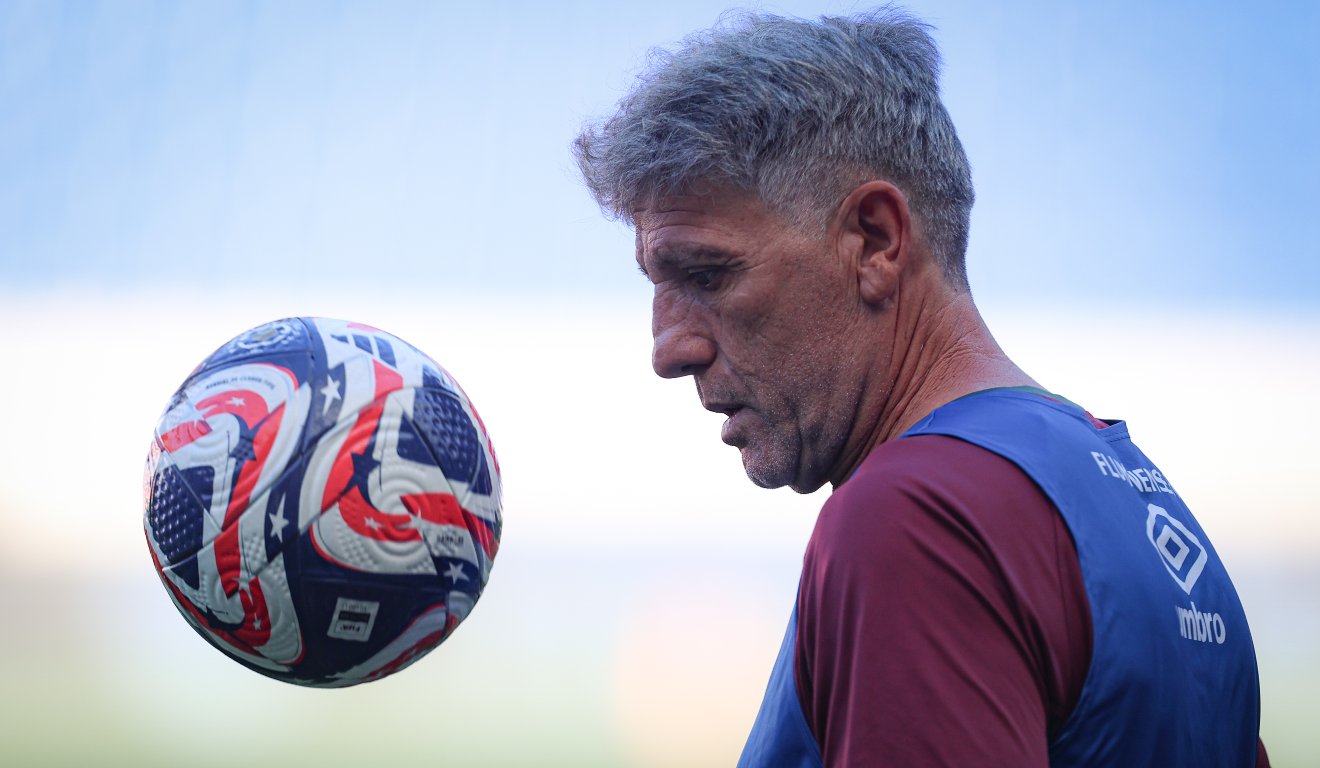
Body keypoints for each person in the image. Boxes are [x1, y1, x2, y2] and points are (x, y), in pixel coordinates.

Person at [574, 7, 1267, 767]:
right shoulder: (1138, 499)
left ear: (875, 239)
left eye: (707, 274)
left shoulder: (917, 522)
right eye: (657, 284)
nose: (667, 349)